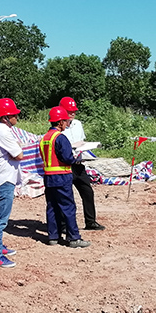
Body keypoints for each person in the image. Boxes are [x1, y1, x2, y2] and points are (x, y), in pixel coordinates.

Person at [40, 106, 90, 248]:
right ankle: (73, 238)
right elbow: (67, 158)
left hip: (48, 177)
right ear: (60, 122)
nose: (68, 124)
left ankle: (53, 237)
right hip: (61, 176)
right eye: (66, 121)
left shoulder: (45, 138)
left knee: (52, 207)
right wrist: (75, 158)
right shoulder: (60, 138)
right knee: (68, 207)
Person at [0, 98, 25, 268]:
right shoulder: (2, 132)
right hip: (4, 180)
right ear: (5, 117)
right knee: (0, 219)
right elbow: (19, 155)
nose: (17, 117)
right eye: (14, 115)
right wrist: (14, 153)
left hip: (0, 178)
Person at [59, 96, 105, 231]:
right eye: (70, 111)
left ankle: (90, 221)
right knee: (66, 196)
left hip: (79, 164)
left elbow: (82, 141)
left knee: (87, 192)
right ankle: (63, 225)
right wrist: (73, 145)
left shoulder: (78, 124)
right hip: (66, 165)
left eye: (74, 111)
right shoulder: (59, 126)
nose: (73, 113)